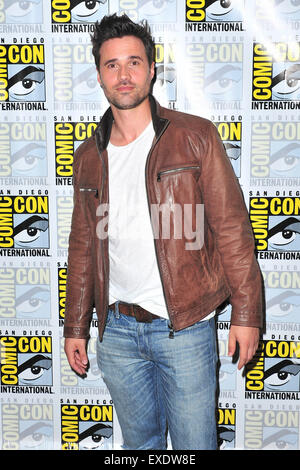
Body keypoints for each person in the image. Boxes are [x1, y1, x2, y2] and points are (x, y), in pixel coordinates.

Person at [64, 13, 263, 450]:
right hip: (116, 332)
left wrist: (247, 314)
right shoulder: (88, 156)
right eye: (112, 64)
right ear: (98, 74)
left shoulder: (195, 137)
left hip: (186, 329)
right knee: (140, 447)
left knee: (196, 446)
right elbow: (82, 247)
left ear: (152, 69)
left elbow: (232, 229)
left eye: (133, 62)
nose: (123, 74)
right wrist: (75, 324)